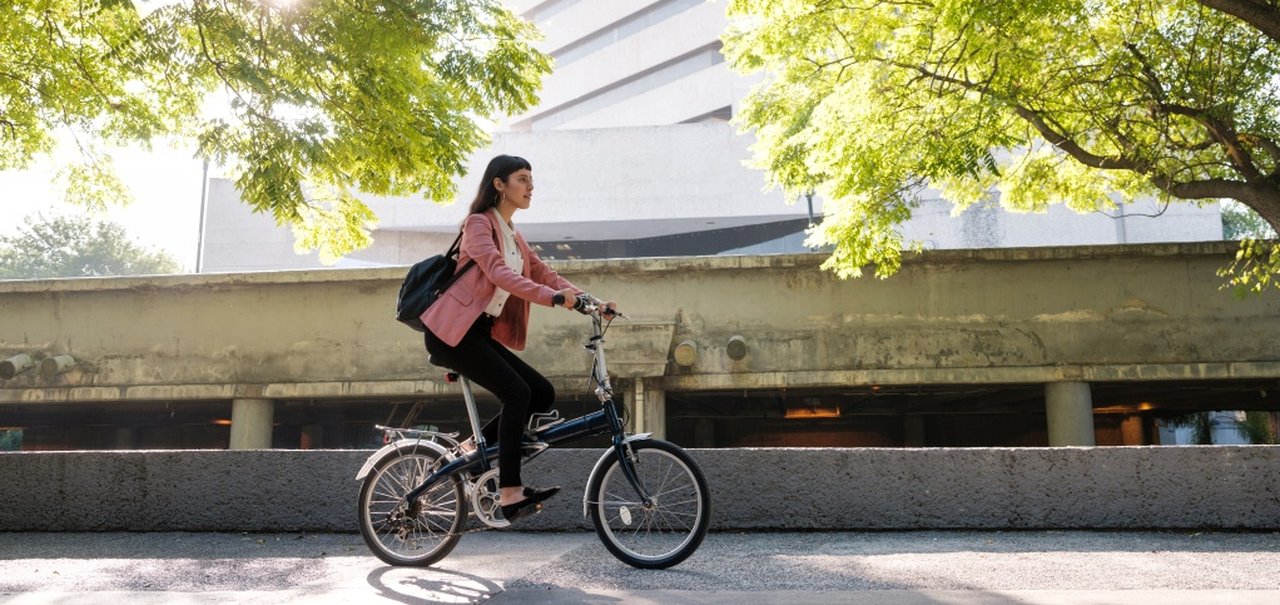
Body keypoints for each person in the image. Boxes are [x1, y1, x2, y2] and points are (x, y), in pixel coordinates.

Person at [420, 154, 616, 524]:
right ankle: (509, 490)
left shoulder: (513, 235)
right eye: (522, 179)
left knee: (540, 392)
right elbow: (496, 272)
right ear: (499, 184)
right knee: (517, 393)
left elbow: (545, 274)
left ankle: (469, 451)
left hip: (475, 333)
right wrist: (552, 300)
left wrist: (591, 302)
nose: (530, 187)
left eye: (531, 179)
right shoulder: (478, 225)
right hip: (450, 333)